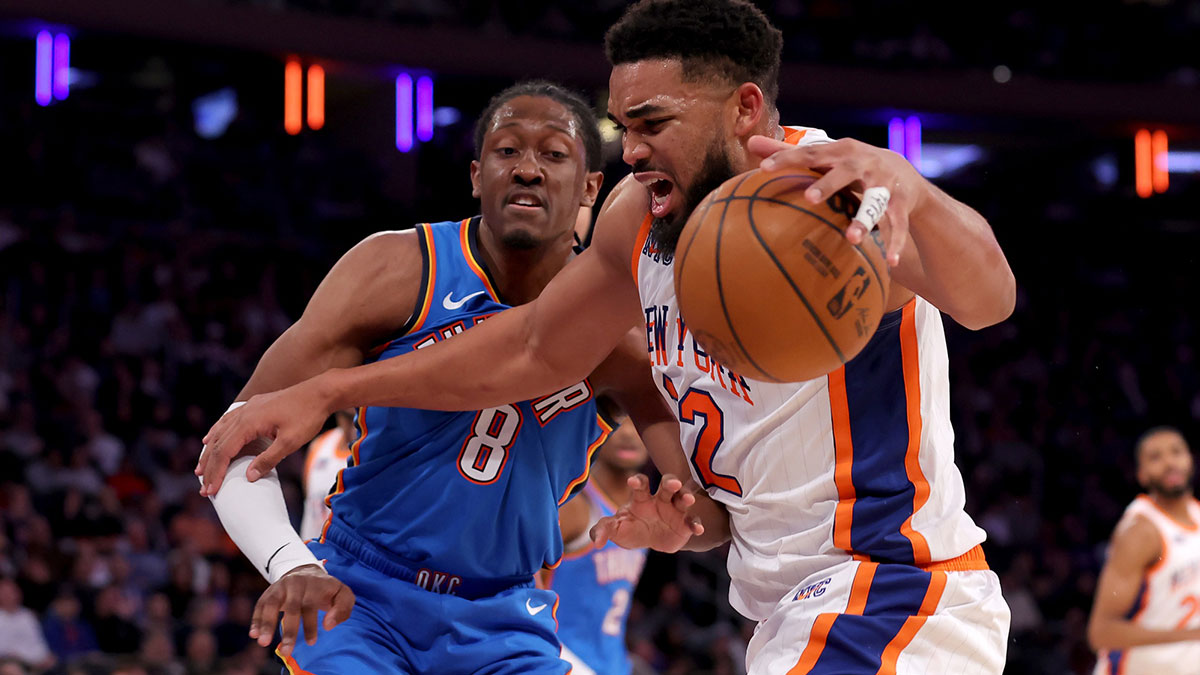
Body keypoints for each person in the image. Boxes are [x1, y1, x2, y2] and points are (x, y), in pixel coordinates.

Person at [199, 1, 1017, 672]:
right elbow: (529, 350)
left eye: (652, 122)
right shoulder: (635, 218)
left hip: (891, 591)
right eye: (623, 124)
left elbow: (990, 296)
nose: (631, 149)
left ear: (744, 108)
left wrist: (917, 190)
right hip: (781, 606)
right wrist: (332, 390)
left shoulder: (833, 201)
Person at [199, 80, 713, 674]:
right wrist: (290, 563)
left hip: (505, 616)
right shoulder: (397, 269)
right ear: (476, 175)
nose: (527, 169)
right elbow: (234, 440)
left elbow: (704, 512)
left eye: (553, 154)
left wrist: (681, 530)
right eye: (507, 151)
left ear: (591, 187)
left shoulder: (619, 334)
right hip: (363, 596)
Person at [544, 403, 648, 675]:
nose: (628, 433)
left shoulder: (645, 511)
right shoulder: (574, 505)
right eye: (621, 421)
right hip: (560, 658)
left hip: (612, 663)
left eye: (637, 423)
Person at [1089, 426, 1200, 674]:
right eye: (1155, 457)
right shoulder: (1140, 532)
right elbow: (1101, 632)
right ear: (1142, 475)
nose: (1169, 462)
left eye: (1176, 451)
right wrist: (1190, 636)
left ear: (1190, 459)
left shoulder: (1197, 513)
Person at [297, 410, 354, 542]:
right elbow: (310, 508)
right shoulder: (320, 444)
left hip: (347, 559)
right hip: (311, 556)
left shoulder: (379, 450)